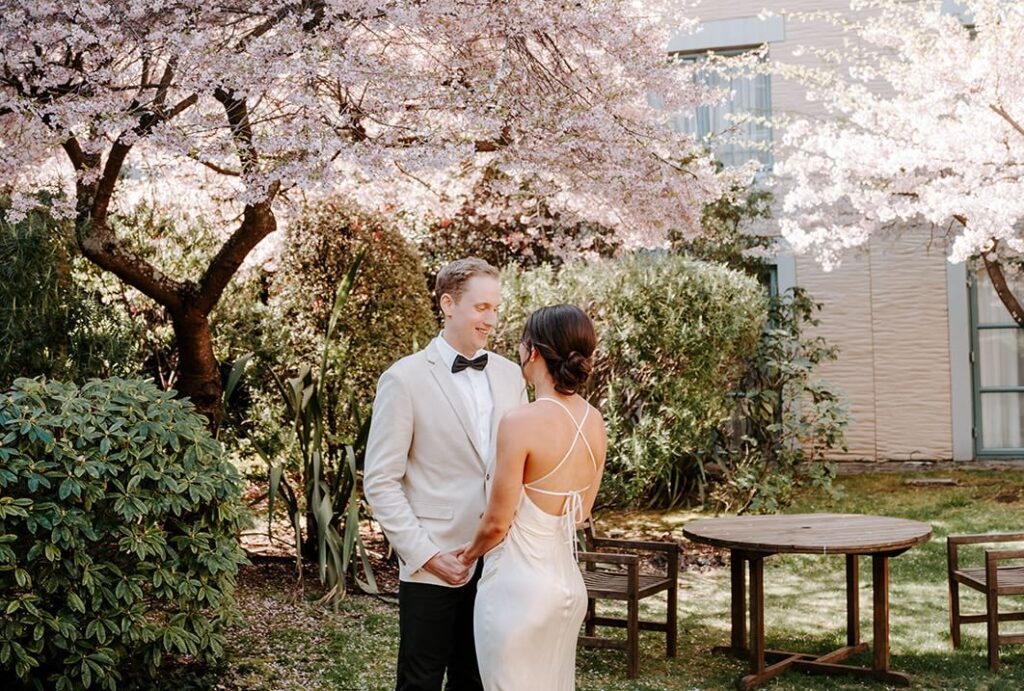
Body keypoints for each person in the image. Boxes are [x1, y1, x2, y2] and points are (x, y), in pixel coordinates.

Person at [364, 257, 528, 691]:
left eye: (495, 308)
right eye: (481, 308)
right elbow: (380, 481)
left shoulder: (511, 376)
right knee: (419, 682)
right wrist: (427, 555)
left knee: (477, 680)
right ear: (448, 304)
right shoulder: (404, 378)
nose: (491, 319)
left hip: (496, 563)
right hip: (432, 564)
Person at [457, 304, 607, 691]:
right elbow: (580, 513)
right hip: (568, 591)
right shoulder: (594, 421)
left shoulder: (520, 421)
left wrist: (467, 556)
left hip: (517, 593)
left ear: (533, 351)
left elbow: (496, 523)